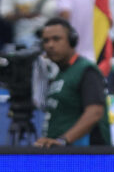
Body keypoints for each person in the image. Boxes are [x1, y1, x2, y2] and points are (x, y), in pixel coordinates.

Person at [34, 17, 110, 147]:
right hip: (63, 155)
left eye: (56, 39)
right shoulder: (60, 73)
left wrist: (63, 140)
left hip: (85, 157)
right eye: (46, 41)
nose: (50, 45)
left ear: (72, 41)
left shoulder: (86, 70)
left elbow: (95, 112)